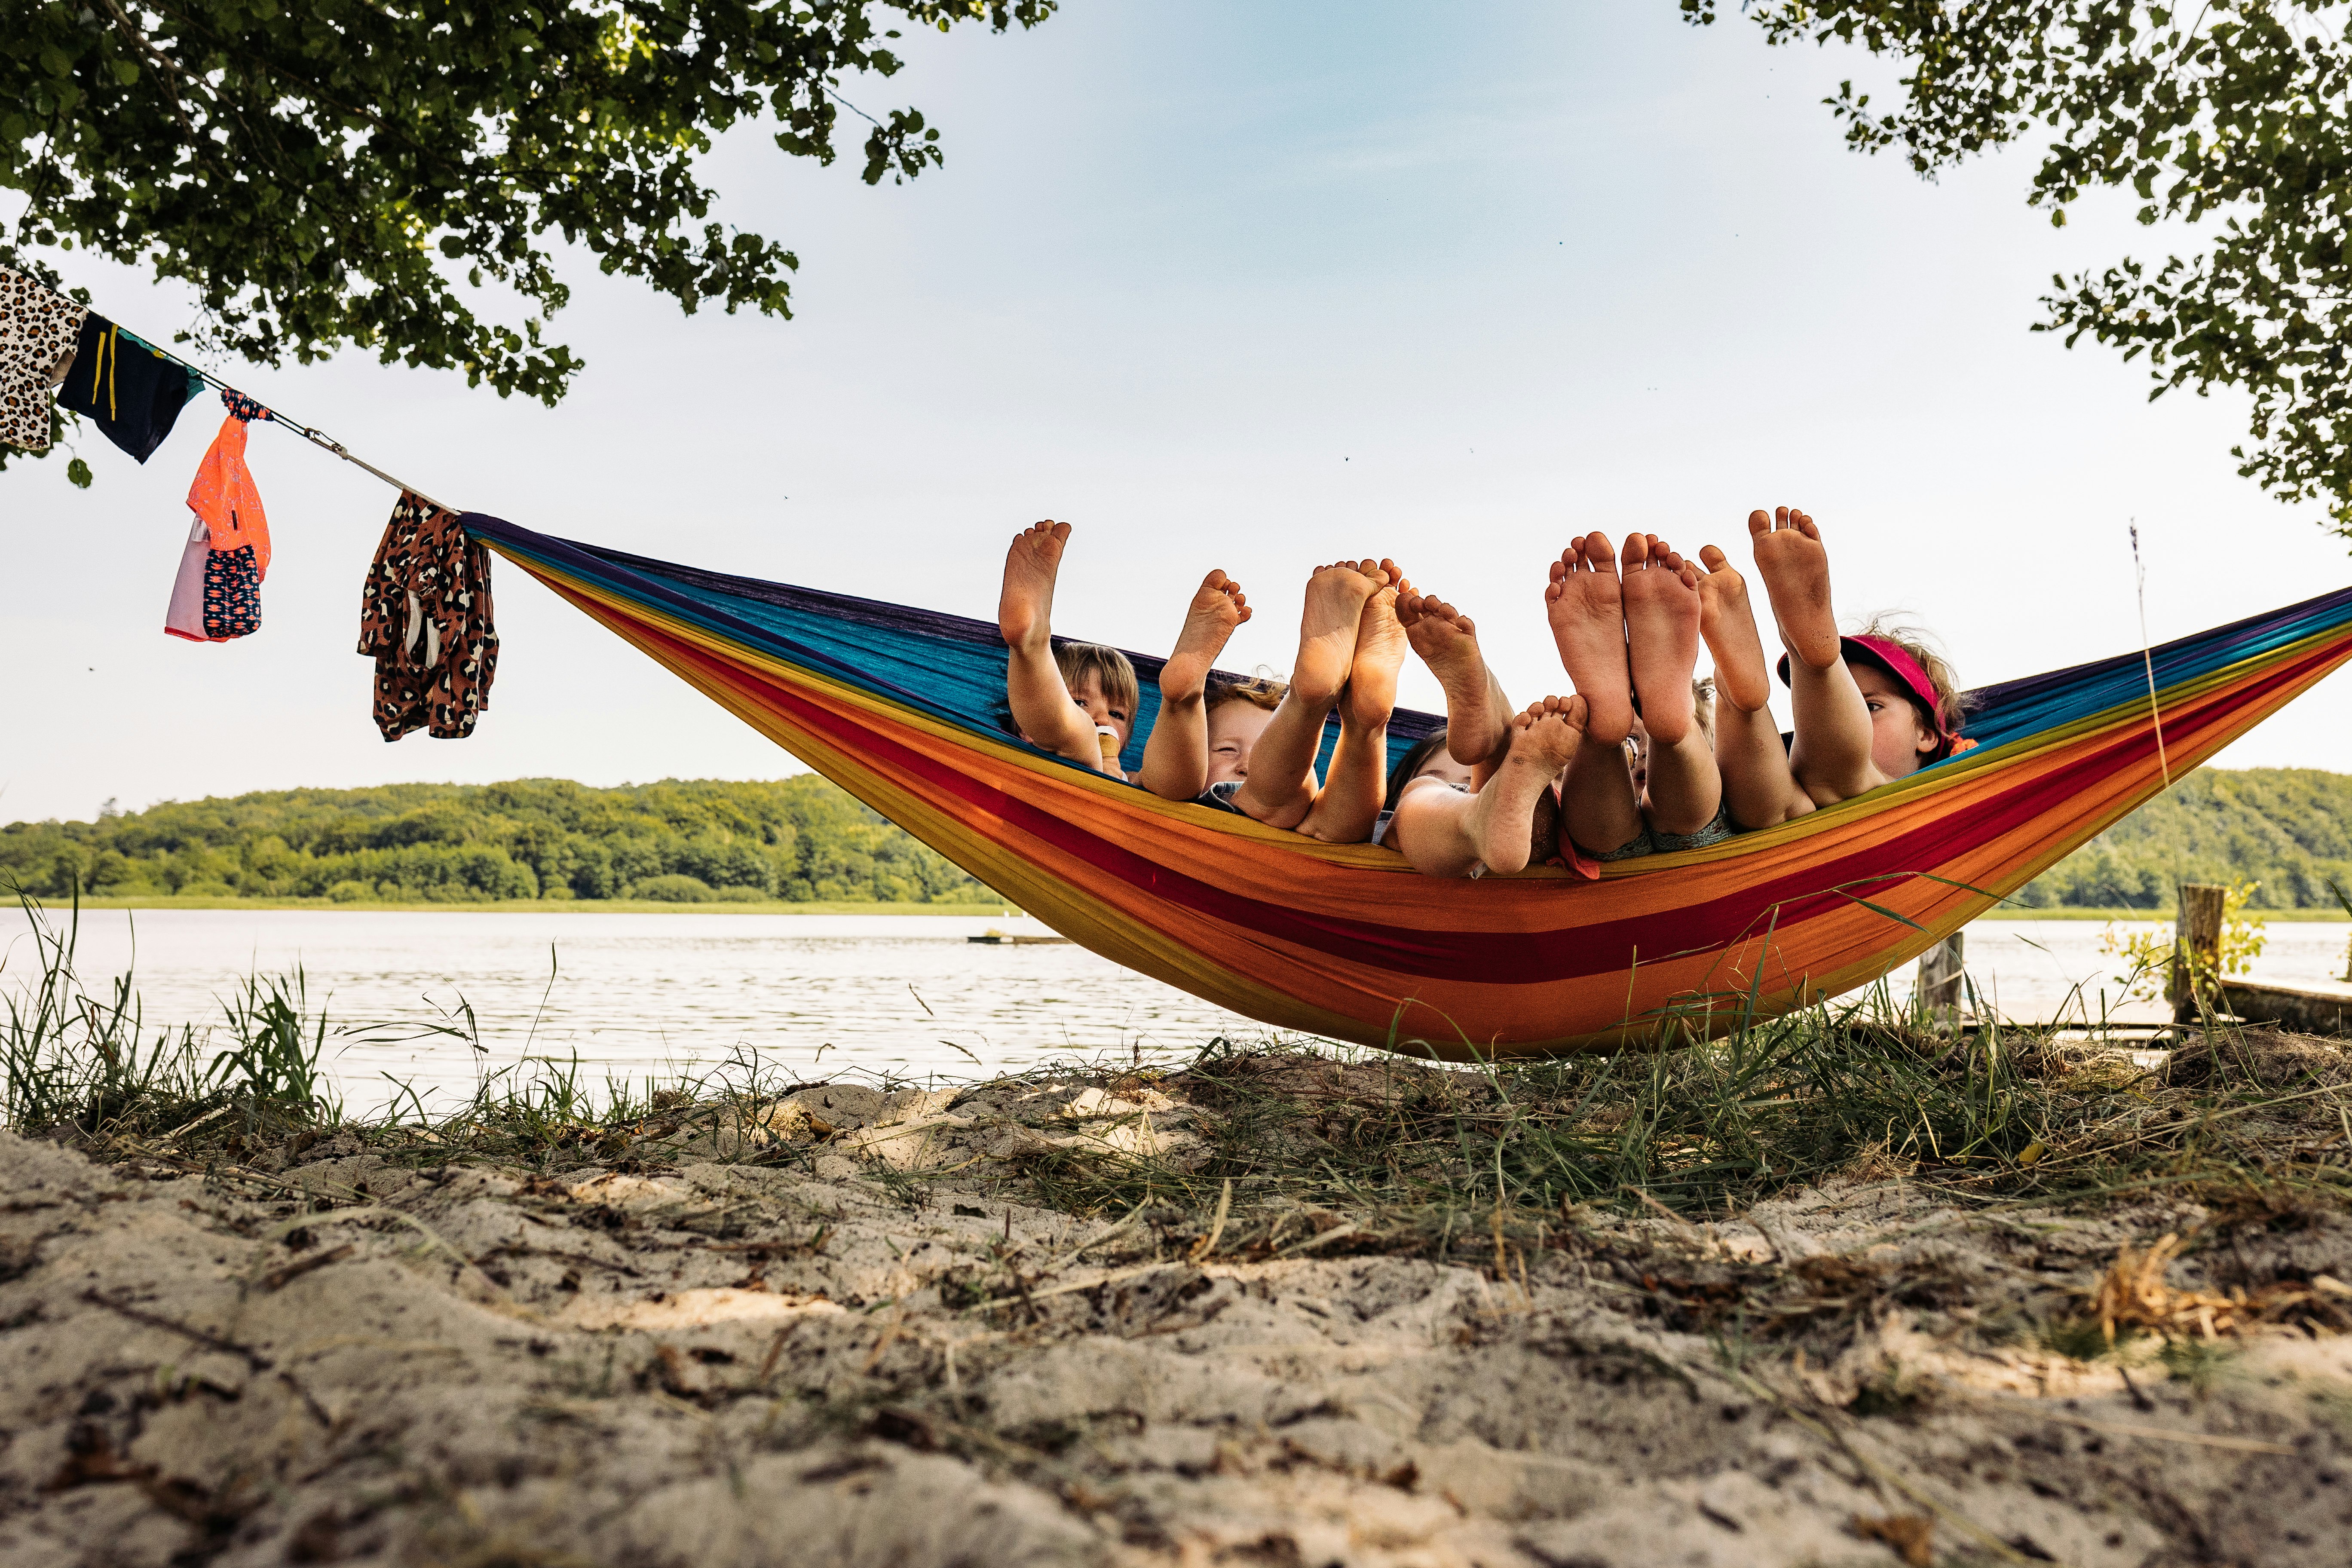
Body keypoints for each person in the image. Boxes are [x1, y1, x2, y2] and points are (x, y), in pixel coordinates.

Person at [1694, 506, 1967, 828]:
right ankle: (1748, 694)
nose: (1849, 713)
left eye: (1871, 706)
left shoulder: (1941, 793)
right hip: (1801, 818)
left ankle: (1786, 676)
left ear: (1926, 735)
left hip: (1828, 816)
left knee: (1776, 807)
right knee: (1769, 805)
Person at [999, 519, 1252, 789]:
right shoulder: (1021, 754)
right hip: (1055, 774)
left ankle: (1185, 699)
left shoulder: (1131, 780)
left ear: (1129, 738)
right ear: (1024, 724)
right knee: (1080, 739)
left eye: (1117, 714)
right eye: (1080, 703)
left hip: (1129, 805)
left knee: (1170, 786)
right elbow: (1069, 734)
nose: (1102, 718)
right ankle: (1031, 645)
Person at [1545, 532, 1729, 861]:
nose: (1643, 755)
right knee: (1694, 818)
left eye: (1645, 740)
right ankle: (1674, 736)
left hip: (1602, 851)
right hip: (1706, 836)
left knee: (1601, 835)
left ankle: (1608, 737)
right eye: (1629, 742)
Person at [1228, 559, 1412, 843]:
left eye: (1264, 744)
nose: (1246, 765)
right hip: (1334, 857)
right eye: (1227, 750)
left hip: (1230, 839)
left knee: (1274, 803)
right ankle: (1364, 725)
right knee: (1339, 830)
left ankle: (1306, 706)